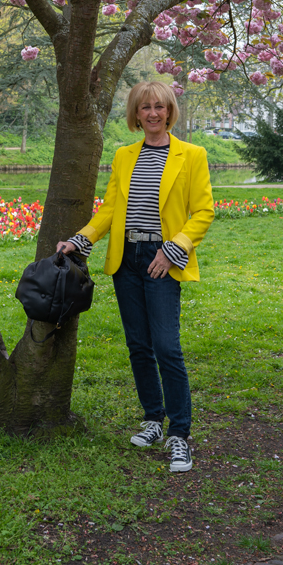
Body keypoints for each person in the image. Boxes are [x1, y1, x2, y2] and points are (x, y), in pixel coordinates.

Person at [56, 80, 214, 473]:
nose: (153, 113)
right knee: (139, 346)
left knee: (167, 348)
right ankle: (152, 420)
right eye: (145, 107)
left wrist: (172, 249)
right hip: (126, 258)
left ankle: (179, 435)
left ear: (170, 111)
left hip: (162, 257)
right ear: (136, 114)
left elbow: (203, 212)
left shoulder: (192, 155)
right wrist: (81, 239)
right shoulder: (124, 155)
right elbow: (110, 209)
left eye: (160, 106)